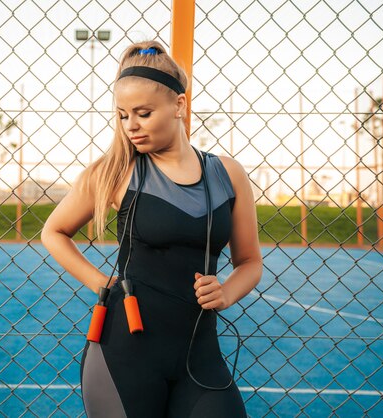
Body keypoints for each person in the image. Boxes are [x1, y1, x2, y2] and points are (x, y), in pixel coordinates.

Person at [41, 40, 262, 417]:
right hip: (125, 352)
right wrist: (101, 283)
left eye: (143, 113)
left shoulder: (228, 174)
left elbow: (250, 262)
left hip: (200, 353)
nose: (131, 126)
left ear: (179, 105)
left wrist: (225, 293)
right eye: (123, 115)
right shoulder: (115, 171)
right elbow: (54, 231)